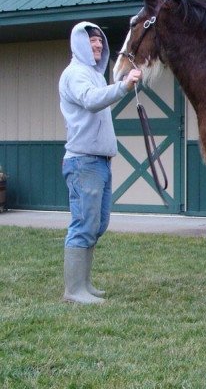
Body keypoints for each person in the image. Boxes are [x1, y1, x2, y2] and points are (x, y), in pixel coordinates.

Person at [59, 21, 141, 304]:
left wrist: (121, 87)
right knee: (84, 223)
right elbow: (91, 100)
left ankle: (85, 284)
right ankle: (73, 290)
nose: (98, 45)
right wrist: (122, 86)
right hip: (83, 162)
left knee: (97, 223)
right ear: (79, 43)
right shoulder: (75, 74)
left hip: (99, 162)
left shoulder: (93, 74)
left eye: (100, 41)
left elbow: (98, 97)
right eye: (92, 40)